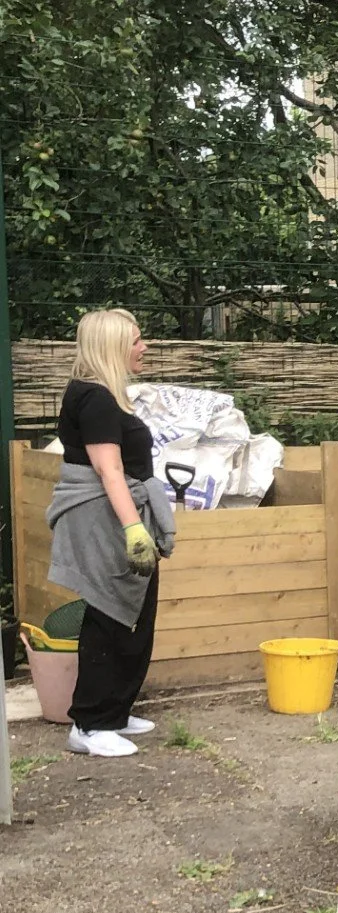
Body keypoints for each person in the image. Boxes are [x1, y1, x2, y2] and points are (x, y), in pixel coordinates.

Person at [46, 308, 175, 758]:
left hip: (116, 513)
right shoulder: (95, 398)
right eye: (137, 339)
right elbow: (108, 469)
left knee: (133, 610)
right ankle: (89, 722)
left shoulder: (102, 394)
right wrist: (134, 528)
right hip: (107, 518)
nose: (145, 347)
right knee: (108, 613)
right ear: (113, 346)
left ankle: (115, 712)